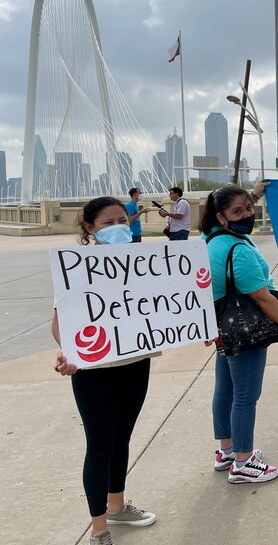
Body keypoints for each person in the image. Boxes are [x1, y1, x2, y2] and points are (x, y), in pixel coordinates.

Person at [53, 197, 156, 545]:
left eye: (122, 221)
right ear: (89, 228)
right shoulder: (75, 268)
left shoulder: (142, 263)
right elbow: (60, 323)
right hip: (94, 369)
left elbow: (163, 307)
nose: (118, 227)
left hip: (135, 363)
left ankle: (117, 505)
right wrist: (68, 353)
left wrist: (198, 327)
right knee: (99, 444)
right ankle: (99, 527)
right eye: (108, 223)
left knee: (121, 438)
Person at [199, 182, 278, 484]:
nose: (248, 214)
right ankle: (243, 461)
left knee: (224, 389)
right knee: (245, 396)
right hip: (246, 331)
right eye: (238, 211)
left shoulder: (211, 239)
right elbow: (263, 298)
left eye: (249, 208)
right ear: (221, 217)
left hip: (224, 329)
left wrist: (254, 193)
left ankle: (226, 451)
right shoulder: (239, 251)